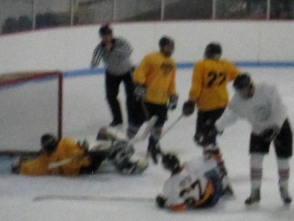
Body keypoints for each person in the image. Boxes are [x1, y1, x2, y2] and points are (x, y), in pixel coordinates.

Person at [213, 73, 293, 205]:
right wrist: (216, 127)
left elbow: (279, 108)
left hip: (280, 126)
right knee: (255, 159)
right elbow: (230, 116)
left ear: (251, 85)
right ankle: (255, 192)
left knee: (283, 160)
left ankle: (284, 189)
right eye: (239, 90)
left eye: (244, 89)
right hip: (259, 130)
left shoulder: (267, 89)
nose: (242, 93)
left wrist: (275, 127)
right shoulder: (237, 100)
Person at [126, 36, 178, 164]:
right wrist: (140, 84)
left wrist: (172, 95)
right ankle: (126, 144)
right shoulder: (151, 57)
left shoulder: (172, 63)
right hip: (147, 99)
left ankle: (153, 146)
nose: (170, 49)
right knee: (136, 123)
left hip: (161, 101)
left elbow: (171, 82)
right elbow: (140, 72)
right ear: (161, 46)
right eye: (168, 46)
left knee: (158, 126)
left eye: (172, 46)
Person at [11, 130, 148, 176]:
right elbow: (33, 168)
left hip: (86, 159)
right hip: (87, 168)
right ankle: (125, 162)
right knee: (104, 148)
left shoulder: (64, 143)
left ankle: (121, 150)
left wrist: (83, 150)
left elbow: (79, 148)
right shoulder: (46, 160)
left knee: (104, 133)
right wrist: (21, 166)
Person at [182, 42, 241, 146]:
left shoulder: (201, 65)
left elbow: (196, 86)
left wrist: (191, 101)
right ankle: (212, 156)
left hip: (206, 106)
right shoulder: (225, 64)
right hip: (222, 105)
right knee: (210, 135)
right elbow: (239, 78)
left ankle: (212, 158)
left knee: (202, 138)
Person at [155, 150, 233, 211]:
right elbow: (214, 161)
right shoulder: (190, 165)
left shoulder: (169, 184)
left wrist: (164, 203)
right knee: (212, 171)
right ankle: (225, 185)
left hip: (204, 204)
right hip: (215, 190)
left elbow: (178, 207)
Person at [90, 24, 135, 127]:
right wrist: (96, 60)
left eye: (108, 35)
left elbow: (129, 52)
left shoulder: (121, 41)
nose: (106, 38)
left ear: (112, 34)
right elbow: (94, 63)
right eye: (104, 36)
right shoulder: (99, 48)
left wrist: (113, 48)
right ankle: (117, 119)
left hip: (128, 71)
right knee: (111, 96)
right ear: (101, 37)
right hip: (112, 73)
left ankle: (132, 118)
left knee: (131, 96)